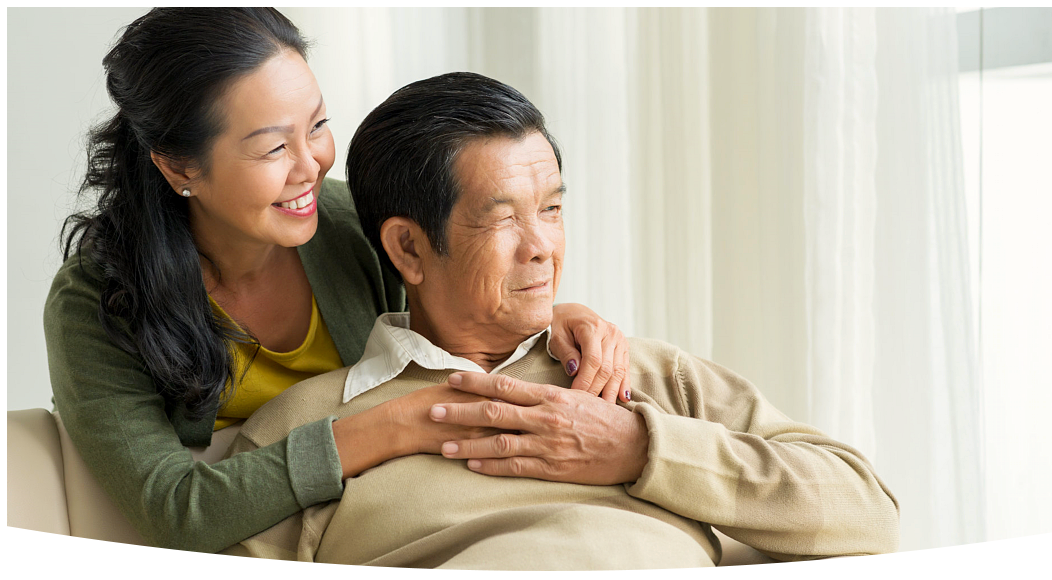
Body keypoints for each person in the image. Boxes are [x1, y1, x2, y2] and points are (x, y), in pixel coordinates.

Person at [221, 72, 900, 569]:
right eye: (503, 216)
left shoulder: (650, 375)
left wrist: (639, 448)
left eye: (550, 208)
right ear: (408, 248)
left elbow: (865, 509)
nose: (544, 245)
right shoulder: (309, 428)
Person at [43, 8, 630, 554]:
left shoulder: (348, 223)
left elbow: (449, 311)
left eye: (317, 126)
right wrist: (394, 425)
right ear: (179, 166)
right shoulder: (99, 300)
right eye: (273, 147)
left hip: (389, 516)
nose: (312, 166)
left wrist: (549, 313)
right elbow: (175, 510)